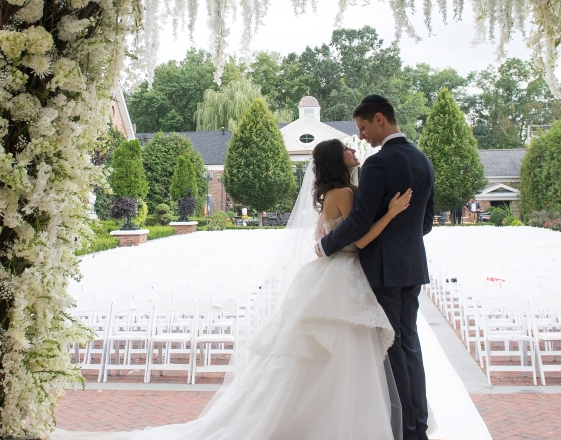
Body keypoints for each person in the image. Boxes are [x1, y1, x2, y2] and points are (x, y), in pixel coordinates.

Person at [59, 140, 413, 440]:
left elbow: (320, 239)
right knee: (344, 354)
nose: (354, 150)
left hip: (328, 274)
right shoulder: (344, 193)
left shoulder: (331, 194)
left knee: (325, 355)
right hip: (342, 275)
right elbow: (359, 240)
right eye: (348, 149)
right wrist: (392, 213)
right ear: (339, 160)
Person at [316, 94, 436, 440]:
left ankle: (405, 431)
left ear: (380, 119)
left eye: (363, 127)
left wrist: (325, 245)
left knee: (391, 347)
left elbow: (357, 223)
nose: (362, 136)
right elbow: (425, 223)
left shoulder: (378, 164)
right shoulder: (423, 160)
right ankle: (418, 427)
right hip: (413, 267)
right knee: (410, 346)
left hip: (383, 270)